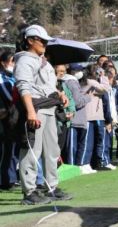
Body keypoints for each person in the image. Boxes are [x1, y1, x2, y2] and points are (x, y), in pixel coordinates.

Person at [14, 25, 72, 204]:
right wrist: (31, 112)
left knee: (52, 150)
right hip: (36, 109)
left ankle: (51, 187)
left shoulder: (44, 62)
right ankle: (29, 191)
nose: (45, 44)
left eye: (46, 41)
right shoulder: (25, 60)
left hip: (49, 109)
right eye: (42, 40)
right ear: (30, 40)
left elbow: (47, 86)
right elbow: (23, 86)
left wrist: (59, 93)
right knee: (32, 150)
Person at [0, 51, 18, 190]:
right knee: (4, 151)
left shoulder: (14, 77)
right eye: (12, 61)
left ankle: (10, 179)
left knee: (10, 150)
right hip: (4, 118)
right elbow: (9, 97)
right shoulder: (2, 79)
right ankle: (4, 180)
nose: (14, 64)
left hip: (11, 118)